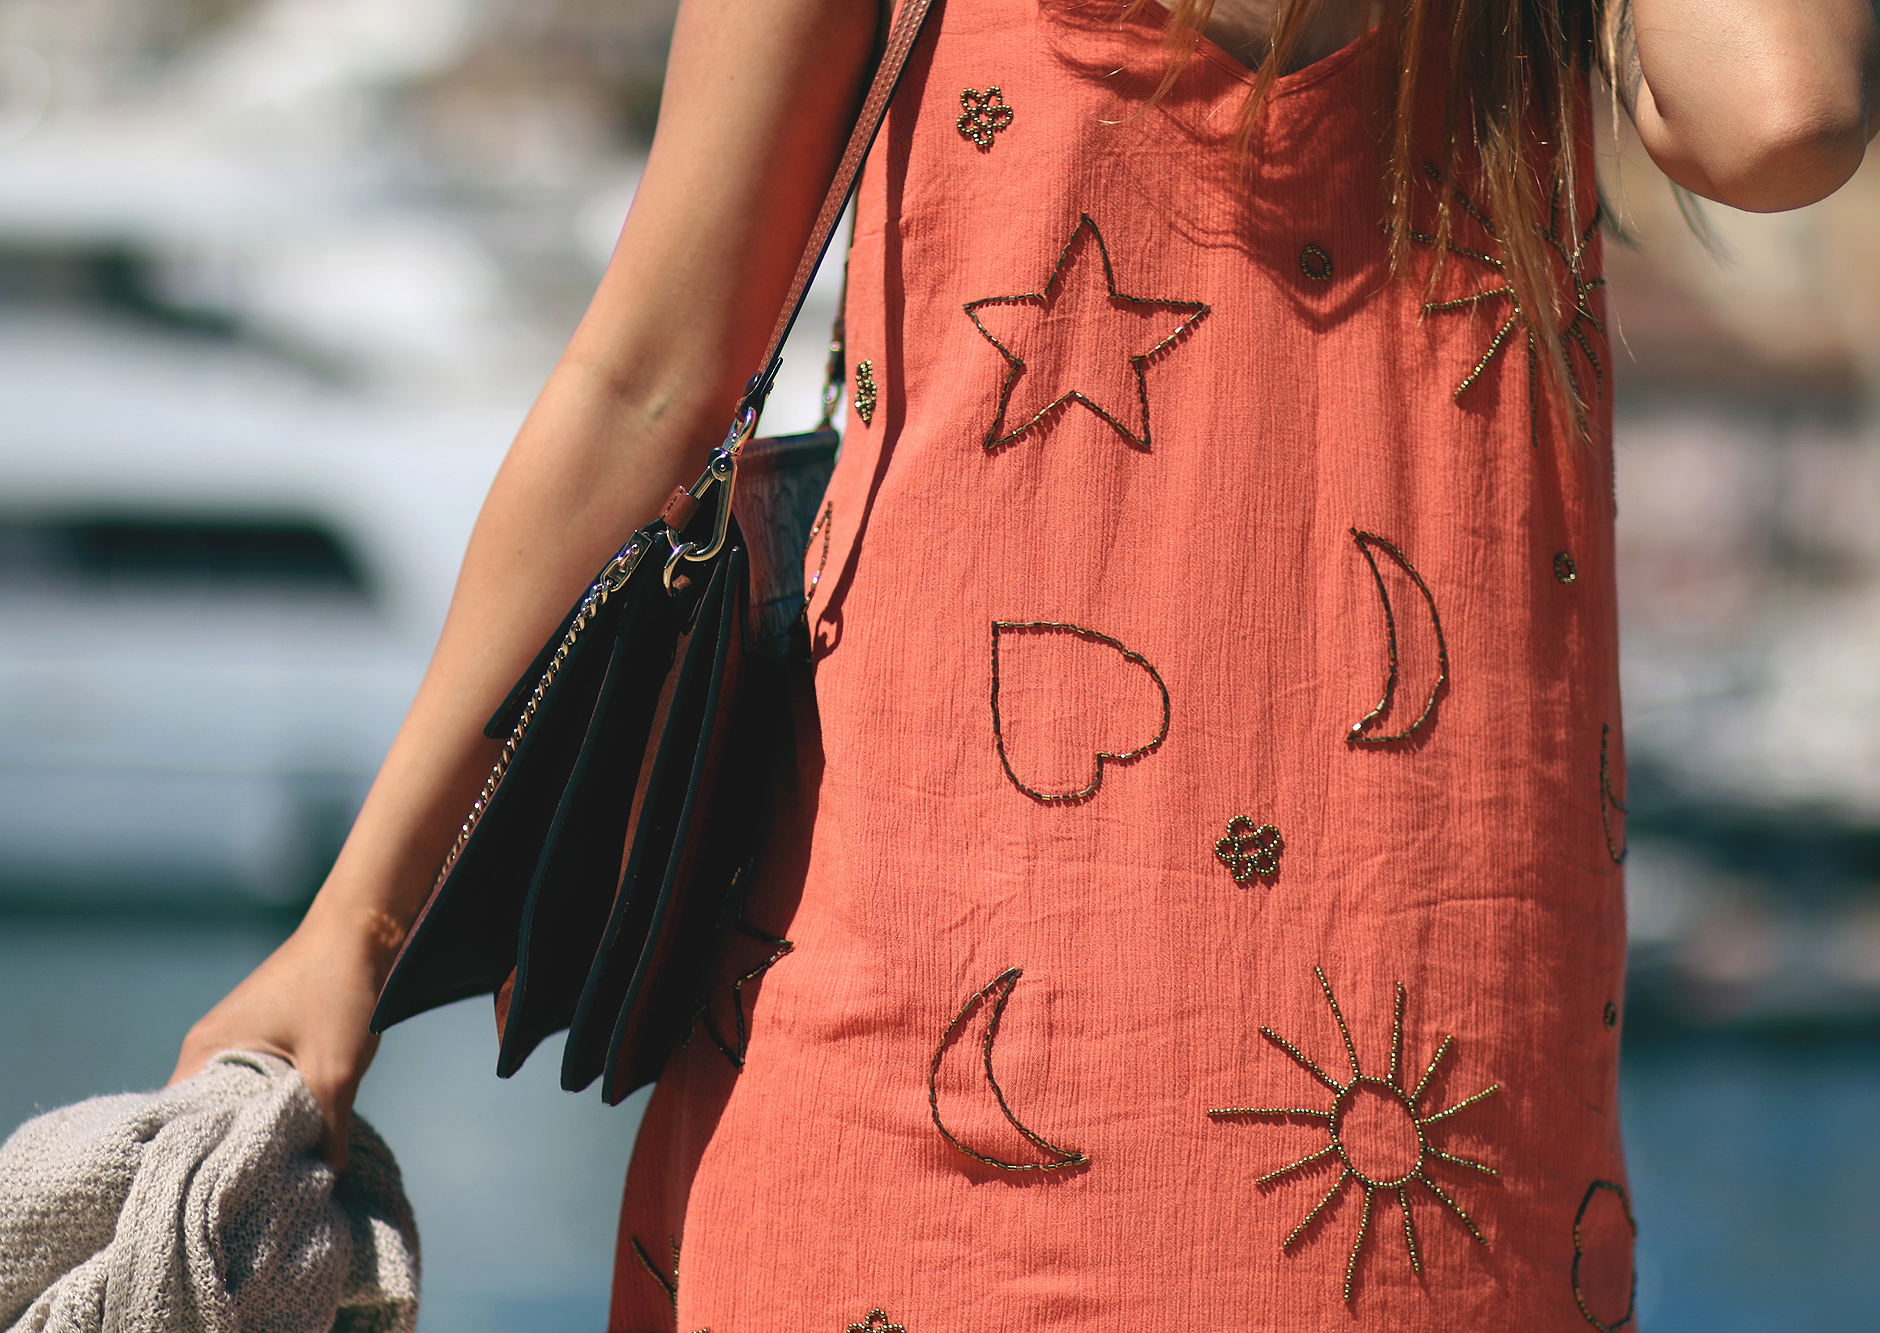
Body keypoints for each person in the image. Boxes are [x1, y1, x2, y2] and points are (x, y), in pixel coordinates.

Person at [174, 0, 1877, 1327]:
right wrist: (360, 924)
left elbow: (1780, 108)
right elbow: (651, 375)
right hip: (966, 1072)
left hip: (1409, 1125)